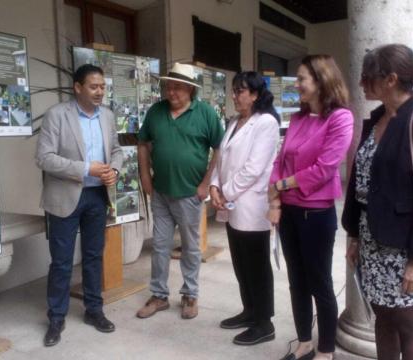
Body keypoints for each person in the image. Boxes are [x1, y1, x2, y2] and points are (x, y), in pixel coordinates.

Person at [342, 43, 413, 360]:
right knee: (383, 320)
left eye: (368, 77)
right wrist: (354, 234)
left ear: (390, 79)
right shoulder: (377, 118)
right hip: (372, 240)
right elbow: (360, 184)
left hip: (407, 246)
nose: (362, 83)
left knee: (409, 325)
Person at [267, 55, 354, 360]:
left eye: (302, 78)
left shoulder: (341, 118)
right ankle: (304, 341)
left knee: (320, 282)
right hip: (289, 214)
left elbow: (324, 169)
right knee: (296, 282)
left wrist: (281, 185)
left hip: (316, 215)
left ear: (321, 80)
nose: (297, 85)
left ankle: (326, 349)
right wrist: (276, 199)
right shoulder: (298, 118)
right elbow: (279, 160)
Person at [36, 64, 123, 347]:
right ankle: (56, 318)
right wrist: (87, 168)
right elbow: (44, 158)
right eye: (93, 87)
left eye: (102, 87)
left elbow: (117, 151)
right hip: (65, 198)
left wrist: (115, 171)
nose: (99, 92)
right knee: (61, 262)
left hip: (98, 197)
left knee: (94, 256)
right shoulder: (57, 115)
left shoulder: (108, 116)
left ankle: (94, 311)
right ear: (77, 87)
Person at [136, 63, 224, 320]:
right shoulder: (156, 111)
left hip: (189, 193)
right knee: (160, 246)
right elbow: (143, 144)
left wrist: (206, 183)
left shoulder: (206, 113)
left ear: (190, 89)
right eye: (168, 86)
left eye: (177, 87)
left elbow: (219, 149)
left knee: (190, 247)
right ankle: (159, 295)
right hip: (161, 192)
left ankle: (190, 294)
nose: (171, 92)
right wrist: (145, 177)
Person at [209, 71, 280, 345]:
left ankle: (264, 322)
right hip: (231, 202)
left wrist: (225, 192)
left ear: (255, 94)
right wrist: (215, 186)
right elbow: (222, 158)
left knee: (256, 264)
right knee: (240, 262)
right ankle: (249, 310)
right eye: (234, 90)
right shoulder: (236, 121)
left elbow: (254, 168)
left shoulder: (266, 123)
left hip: (251, 205)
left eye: (240, 90)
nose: (235, 95)